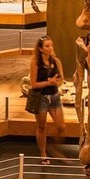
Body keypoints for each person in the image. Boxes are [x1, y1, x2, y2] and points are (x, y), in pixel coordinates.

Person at [26, 36, 68, 164]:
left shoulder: (56, 61)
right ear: (40, 49)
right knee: (41, 127)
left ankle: (53, 147)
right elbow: (33, 84)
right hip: (41, 98)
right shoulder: (35, 63)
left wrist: (55, 82)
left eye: (51, 45)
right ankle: (43, 153)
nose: (50, 48)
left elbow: (61, 80)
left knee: (61, 126)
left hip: (54, 97)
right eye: (47, 46)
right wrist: (48, 82)